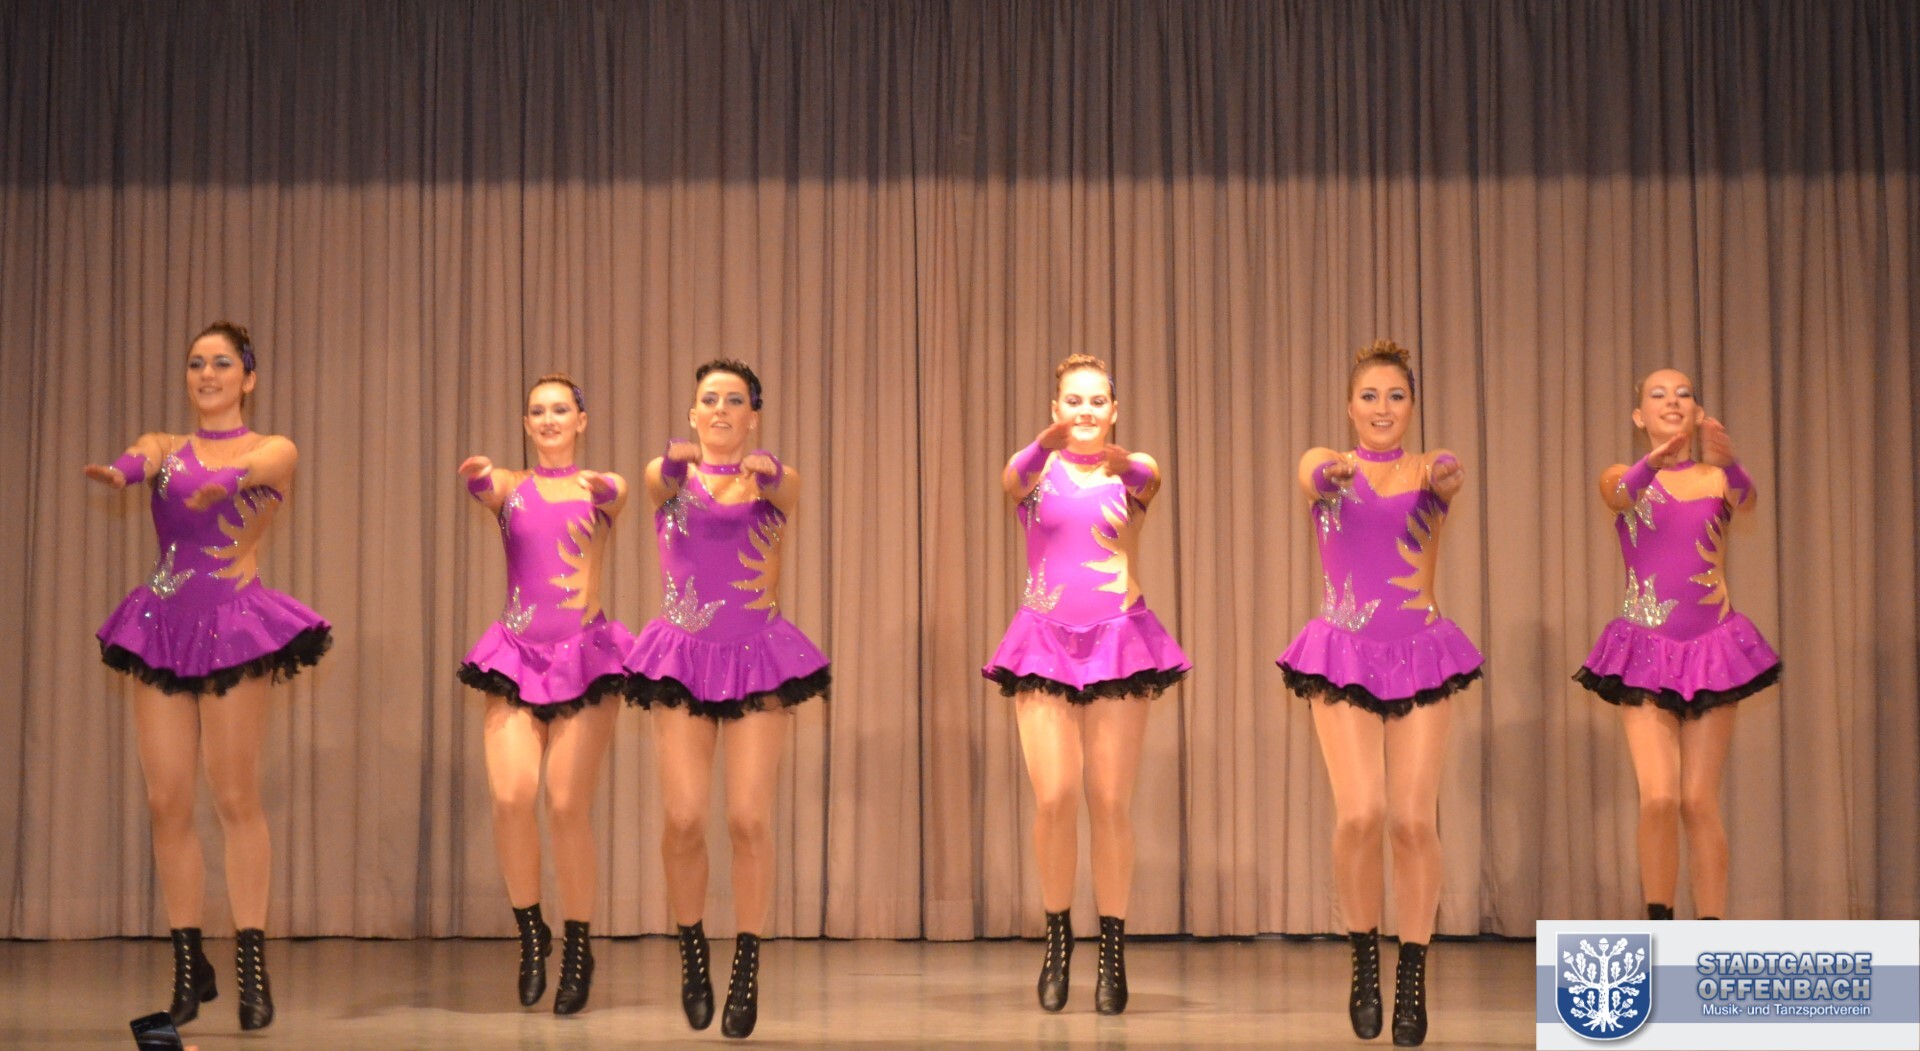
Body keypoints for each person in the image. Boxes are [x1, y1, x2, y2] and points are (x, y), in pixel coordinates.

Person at [86, 321, 331, 1032]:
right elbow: (140, 457)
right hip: (160, 625)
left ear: (248, 377)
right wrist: (121, 471)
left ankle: (252, 962)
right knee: (167, 800)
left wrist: (224, 479)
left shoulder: (274, 447)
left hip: (233, 624)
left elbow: (264, 468)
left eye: (222, 363)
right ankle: (189, 965)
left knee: (233, 794)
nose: (207, 374)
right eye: (196, 363)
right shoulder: (166, 445)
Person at [1277, 340, 1481, 1047]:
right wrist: (1327, 469)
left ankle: (1412, 972)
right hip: (1342, 655)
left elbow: (1448, 474)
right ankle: (1364, 958)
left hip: (1422, 654)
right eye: (1370, 396)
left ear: (1412, 405)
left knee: (1413, 822)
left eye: (1396, 396)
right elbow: (1310, 472)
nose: (1383, 408)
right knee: (1361, 813)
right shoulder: (1325, 464)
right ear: (1350, 406)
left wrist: (1446, 474)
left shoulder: (1431, 468)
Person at [624, 359, 829, 1039]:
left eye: (734, 400)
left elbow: (786, 486)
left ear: (752, 416)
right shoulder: (668, 477)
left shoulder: (776, 479)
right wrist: (676, 460)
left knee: (747, 817)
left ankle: (745, 961)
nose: (719, 409)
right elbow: (658, 478)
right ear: (692, 412)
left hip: (757, 659)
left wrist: (763, 470)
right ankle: (692, 951)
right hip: (681, 658)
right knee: (684, 817)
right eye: (709, 399)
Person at [983, 353, 1191, 1016]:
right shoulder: (1035, 471)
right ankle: (1057, 939)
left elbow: (1147, 476)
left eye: (1097, 400)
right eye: (1073, 400)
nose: (1085, 411)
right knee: (1055, 798)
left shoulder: (1133, 470)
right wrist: (1042, 445)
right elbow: (1010, 479)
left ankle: (1112, 947)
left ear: (1114, 409)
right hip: (1043, 642)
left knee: (1108, 801)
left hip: (1118, 642)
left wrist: (1116, 458)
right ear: (1056, 408)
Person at [1574, 367, 1779, 922]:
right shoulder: (1624, 475)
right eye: (1658, 395)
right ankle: (1660, 929)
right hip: (1645, 652)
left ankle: (1708, 936)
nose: (1672, 402)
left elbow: (1748, 500)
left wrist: (1730, 461)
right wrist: (1653, 462)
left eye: (1683, 394)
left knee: (1697, 800)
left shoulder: (1716, 480)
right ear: (1639, 416)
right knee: (1660, 796)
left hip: (1712, 650)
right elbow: (1618, 495)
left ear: (1697, 412)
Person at [456, 373, 631, 1015]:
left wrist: (607, 489)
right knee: (510, 797)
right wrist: (479, 477)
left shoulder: (601, 486)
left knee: (564, 805)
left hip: (585, 659)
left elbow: (616, 494)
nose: (550, 419)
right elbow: (487, 488)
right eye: (538, 411)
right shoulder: (513, 487)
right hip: (515, 657)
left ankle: (578, 946)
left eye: (561, 409)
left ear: (581, 420)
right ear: (526, 423)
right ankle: (532, 934)